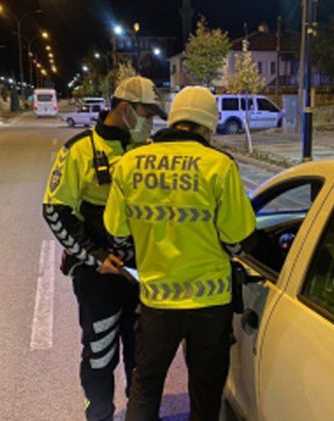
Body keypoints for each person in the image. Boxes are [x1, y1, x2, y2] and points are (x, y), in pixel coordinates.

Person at [103, 86, 256, 421]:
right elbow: (239, 237)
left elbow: (117, 230)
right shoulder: (219, 165)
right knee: (205, 390)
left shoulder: (130, 164)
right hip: (210, 304)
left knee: (146, 386)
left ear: (173, 120)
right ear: (208, 127)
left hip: (157, 302)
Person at [42, 76, 167, 421]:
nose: (150, 123)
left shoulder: (148, 152)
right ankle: (100, 416)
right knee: (99, 353)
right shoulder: (80, 150)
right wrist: (95, 257)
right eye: (146, 114)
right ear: (125, 109)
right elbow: (55, 210)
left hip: (142, 274)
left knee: (142, 357)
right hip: (99, 278)